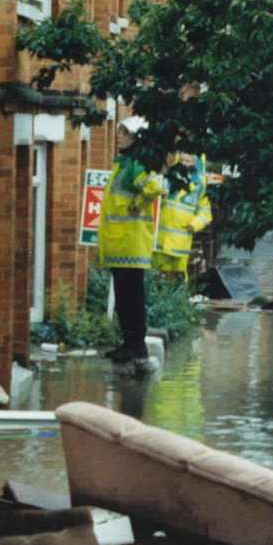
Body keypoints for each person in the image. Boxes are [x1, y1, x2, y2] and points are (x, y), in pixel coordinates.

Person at [100, 116, 168, 362]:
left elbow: (154, 187)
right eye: (119, 132)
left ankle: (136, 344)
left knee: (131, 296)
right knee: (125, 295)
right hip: (122, 242)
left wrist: (138, 205)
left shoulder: (136, 163)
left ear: (137, 137)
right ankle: (129, 343)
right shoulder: (125, 163)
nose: (119, 136)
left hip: (130, 242)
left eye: (125, 133)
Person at [154, 153, 212, 278]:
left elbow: (205, 212)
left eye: (188, 161)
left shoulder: (199, 186)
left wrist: (194, 225)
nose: (185, 163)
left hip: (181, 244)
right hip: (160, 242)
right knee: (158, 277)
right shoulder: (167, 178)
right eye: (182, 160)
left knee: (178, 278)